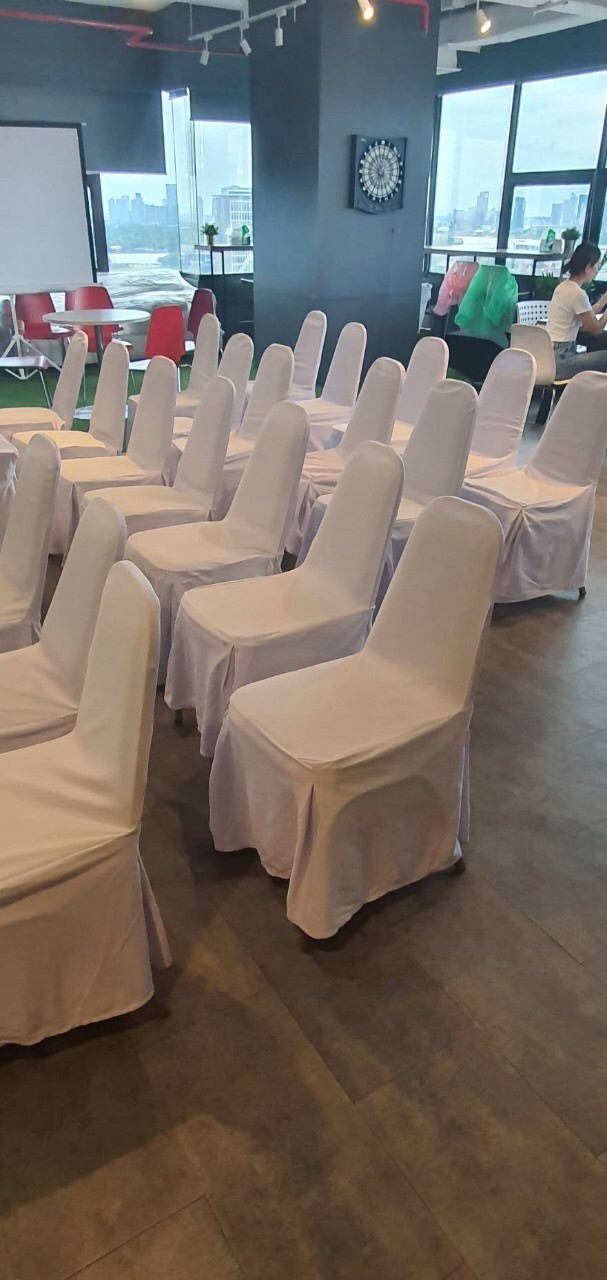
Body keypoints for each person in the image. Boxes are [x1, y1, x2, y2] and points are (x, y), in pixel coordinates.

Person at [546, 242, 607, 377]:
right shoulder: (577, 293)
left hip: (549, 356)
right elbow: (596, 329)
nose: (597, 271)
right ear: (587, 267)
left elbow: (588, 314)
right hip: (562, 360)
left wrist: (605, 298)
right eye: (596, 266)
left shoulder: (563, 287)